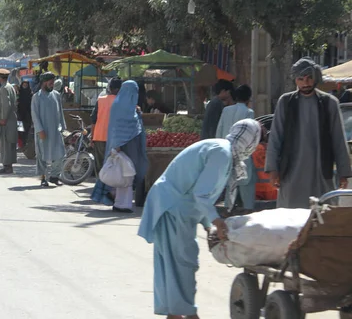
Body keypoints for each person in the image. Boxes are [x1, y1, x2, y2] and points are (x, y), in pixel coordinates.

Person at [138, 119, 262, 319]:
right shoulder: (222, 153)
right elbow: (202, 194)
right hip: (174, 207)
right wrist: (217, 222)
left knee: (174, 266)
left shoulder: (223, 150)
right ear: (249, 141)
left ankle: (176, 313)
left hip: (175, 207)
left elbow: (203, 192)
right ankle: (186, 313)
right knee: (183, 265)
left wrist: (207, 224)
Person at [266, 57, 352, 209]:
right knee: (290, 219)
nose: (305, 83)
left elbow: (339, 140)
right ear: (295, 80)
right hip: (291, 173)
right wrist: (273, 170)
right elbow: (275, 138)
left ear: (315, 78)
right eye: (301, 79)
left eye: (309, 78)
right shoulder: (285, 102)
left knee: (322, 216)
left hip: (320, 171)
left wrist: (343, 173)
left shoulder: (329, 103)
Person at [91, 80, 149, 213]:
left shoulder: (126, 105)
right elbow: (119, 127)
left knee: (126, 176)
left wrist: (138, 114)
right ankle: (122, 203)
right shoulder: (121, 106)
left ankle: (121, 203)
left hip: (128, 145)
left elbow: (133, 123)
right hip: (122, 146)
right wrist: (117, 145)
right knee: (124, 176)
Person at [31, 72, 66, 187]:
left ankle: (54, 177)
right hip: (43, 132)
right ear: (44, 82)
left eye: (53, 83)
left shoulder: (56, 95)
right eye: (50, 83)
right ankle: (43, 178)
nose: (52, 85)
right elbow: (34, 115)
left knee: (60, 154)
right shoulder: (37, 97)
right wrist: (39, 130)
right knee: (42, 156)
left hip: (56, 131)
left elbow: (60, 112)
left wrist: (63, 127)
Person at [91, 77, 123, 175]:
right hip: (115, 138)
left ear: (110, 88)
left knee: (100, 164)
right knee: (113, 164)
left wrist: (92, 137)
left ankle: (100, 186)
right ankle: (109, 186)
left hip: (99, 137)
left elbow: (93, 120)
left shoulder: (100, 100)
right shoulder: (122, 101)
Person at [0, 68, 18, 174]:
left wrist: (3, 118)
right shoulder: (11, 87)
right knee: (9, 144)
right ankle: (8, 166)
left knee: (5, 144)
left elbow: (6, 105)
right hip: (11, 120)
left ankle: (7, 166)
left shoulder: (4, 88)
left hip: (6, 122)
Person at [17, 79, 33, 148]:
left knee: (27, 130)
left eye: (26, 85)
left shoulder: (31, 93)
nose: (25, 86)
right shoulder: (19, 93)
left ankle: (25, 144)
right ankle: (21, 145)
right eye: (24, 84)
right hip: (19, 115)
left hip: (28, 115)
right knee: (20, 130)